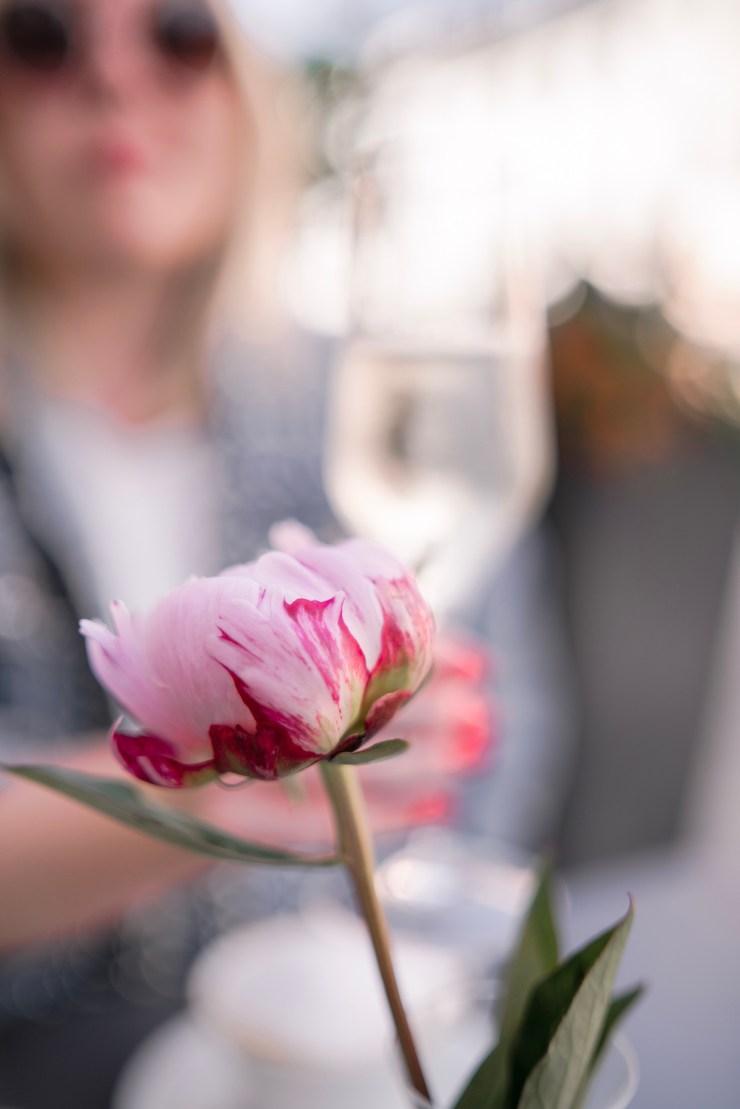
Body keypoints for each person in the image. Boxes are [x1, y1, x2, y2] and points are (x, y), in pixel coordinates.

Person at [0, 4, 494, 1105]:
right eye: (42, 34)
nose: (114, 79)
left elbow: (510, 735)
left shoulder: (361, 397)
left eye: (176, 31)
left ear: (243, 86)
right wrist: (217, 782)